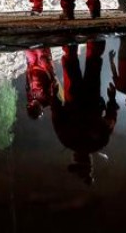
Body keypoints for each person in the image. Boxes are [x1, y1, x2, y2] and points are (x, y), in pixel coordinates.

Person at [51, 40, 119, 186]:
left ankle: (94, 33)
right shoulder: (67, 140)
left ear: (90, 160)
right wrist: (54, 95)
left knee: (93, 61)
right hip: (74, 98)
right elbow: (57, 115)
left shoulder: (99, 142)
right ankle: (70, 32)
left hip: (91, 98)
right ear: (77, 159)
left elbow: (110, 119)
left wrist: (112, 99)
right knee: (71, 62)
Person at [24, 47, 57, 119]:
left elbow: (28, 85)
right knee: (40, 49)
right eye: (33, 105)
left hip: (32, 66)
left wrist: (28, 68)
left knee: (28, 49)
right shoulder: (47, 99)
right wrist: (48, 65)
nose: (32, 102)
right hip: (43, 66)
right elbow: (54, 84)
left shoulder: (30, 98)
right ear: (39, 108)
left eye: (30, 105)